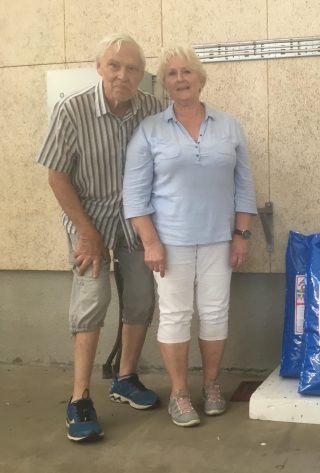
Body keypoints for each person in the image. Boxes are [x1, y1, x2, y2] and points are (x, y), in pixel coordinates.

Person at [122, 45, 257, 427]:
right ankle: (180, 393)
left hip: (219, 238)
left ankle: (211, 386)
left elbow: (244, 185)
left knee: (214, 312)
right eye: (172, 73)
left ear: (200, 78)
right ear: (164, 83)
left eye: (187, 71)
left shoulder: (229, 125)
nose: (180, 79)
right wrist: (150, 242)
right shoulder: (149, 130)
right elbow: (134, 195)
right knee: (176, 314)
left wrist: (242, 234)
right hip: (170, 242)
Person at [37, 34, 162, 442]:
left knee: (141, 297)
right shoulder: (71, 110)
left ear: (142, 74)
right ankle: (80, 397)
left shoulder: (152, 109)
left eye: (132, 68)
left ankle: (125, 377)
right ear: (99, 67)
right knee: (93, 299)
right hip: (87, 218)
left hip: (135, 220)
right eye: (114, 65)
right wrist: (87, 232)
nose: (123, 75)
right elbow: (57, 176)